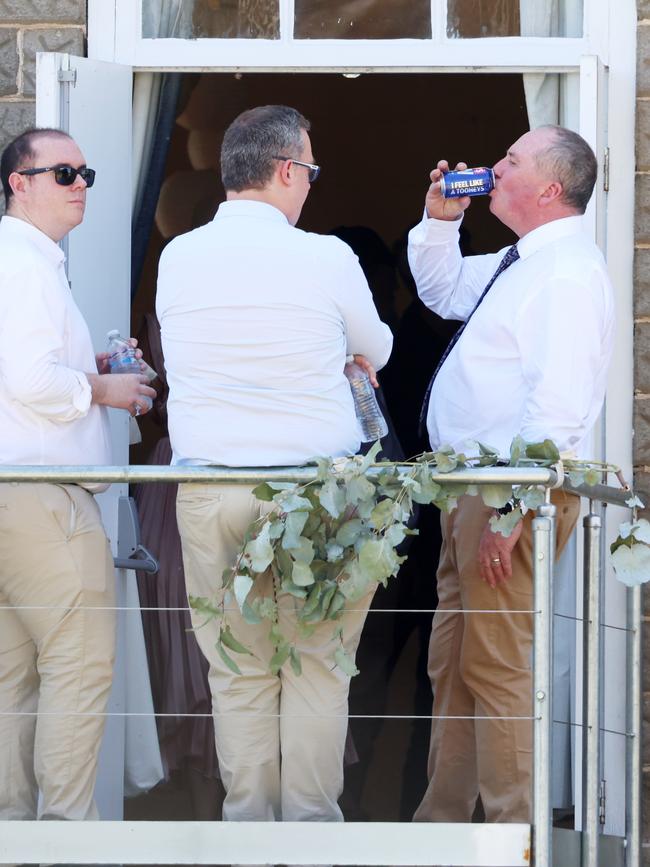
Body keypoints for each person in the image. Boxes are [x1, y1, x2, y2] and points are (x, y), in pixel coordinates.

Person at [156, 105, 392, 836]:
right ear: (288, 170)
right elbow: (376, 349)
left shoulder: (178, 257)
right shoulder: (324, 257)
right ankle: (313, 833)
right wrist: (342, 355)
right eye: (311, 171)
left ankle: (248, 833)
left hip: (211, 487)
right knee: (318, 666)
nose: (311, 186)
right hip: (313, 490)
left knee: (237, 670)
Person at [409, 125, 615, 824]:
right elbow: (442, 290)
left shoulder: (568, 274)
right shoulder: (522, 261)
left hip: (505, 495)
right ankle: (444, 826)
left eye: (512, 161)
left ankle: (511, 835)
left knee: (495, 670)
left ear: (550, 188)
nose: (493, 167)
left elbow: (557, 408)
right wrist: (442, 222)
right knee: (456, 666)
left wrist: (512, 509)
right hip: (471, 493)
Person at [0, 128, 155, 823]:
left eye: (85, 171)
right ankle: (64, 838)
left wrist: (89, 367)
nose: (81, 183)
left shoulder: (27, 264)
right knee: (79, 666)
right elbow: (29, 377)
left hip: (17, 493)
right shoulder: (22, 263)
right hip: (44, 500)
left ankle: (17, 834)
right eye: (63, 172)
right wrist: (103, 390)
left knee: (14, 681)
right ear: (19, 183)